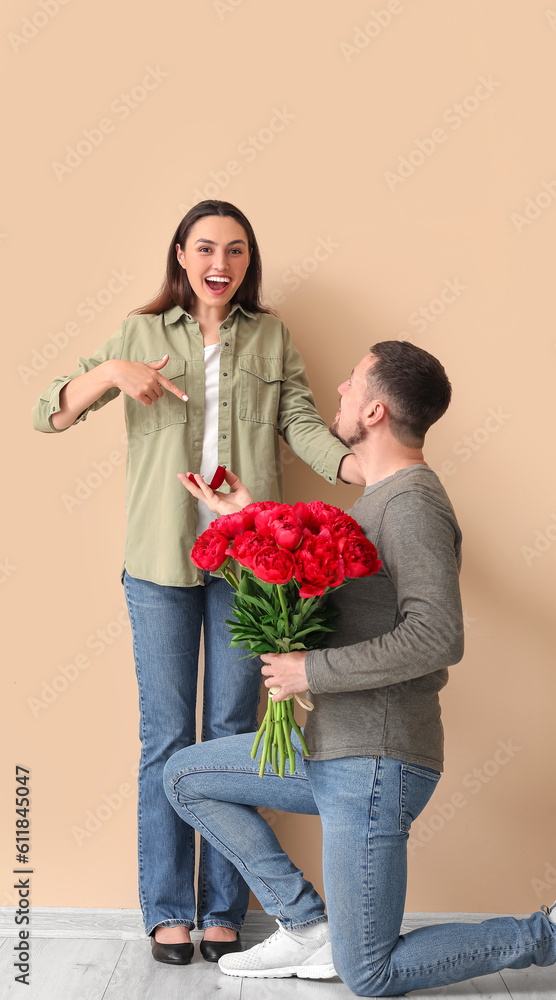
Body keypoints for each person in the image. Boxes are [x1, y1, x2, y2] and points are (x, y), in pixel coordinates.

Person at [164, 340, 556, 993]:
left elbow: (435, 636)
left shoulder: (412, 504)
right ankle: (307, 924)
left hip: (374, 762)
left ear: (373, 411)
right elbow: (356, 604)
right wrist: (248, 522)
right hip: (332, 751)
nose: (337, 390)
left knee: (370, 973)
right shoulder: (377, 502)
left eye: (349, 383)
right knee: (187, 776)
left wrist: (310, 673)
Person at [32, 200, 362, 966]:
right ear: (180, 255)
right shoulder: (140, 334)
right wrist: (111, 373)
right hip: (158, 557)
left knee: (233, 736)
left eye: (237, 250)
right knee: (168, 736)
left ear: (248, 262)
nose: (222, 262)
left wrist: (352, 465)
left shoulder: (271, 336)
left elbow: (303, 423)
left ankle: (224, 910)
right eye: (207, 248)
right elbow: (46, 415)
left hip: (247, 558)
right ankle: (168, 909)